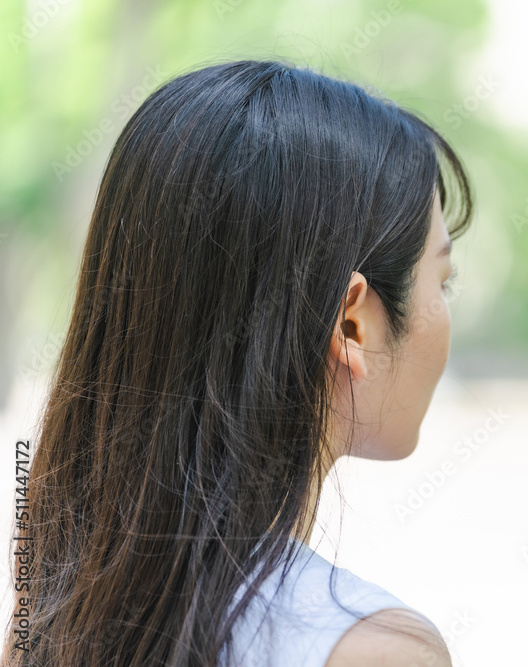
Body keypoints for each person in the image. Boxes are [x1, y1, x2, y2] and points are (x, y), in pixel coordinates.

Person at [1, 59, 473, 667]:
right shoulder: (374, 651)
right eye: (443, 281)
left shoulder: (45, 617)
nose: (445, 307)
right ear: (352, 323)